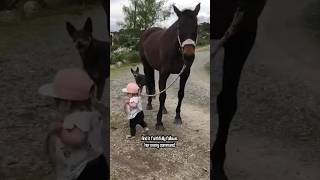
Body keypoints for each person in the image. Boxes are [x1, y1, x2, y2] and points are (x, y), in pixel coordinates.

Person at [38, 68, 108, 180]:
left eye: (57, 100)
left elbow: (77, 139)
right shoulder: (90, 114)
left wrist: (59, 130)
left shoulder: (79, 117)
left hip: (84, 170)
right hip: (93, 164)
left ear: (67, 102)